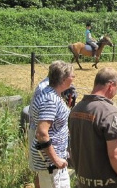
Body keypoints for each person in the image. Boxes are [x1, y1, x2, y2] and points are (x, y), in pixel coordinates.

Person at [68, 67, 117, 188]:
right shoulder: (109, 111)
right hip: (106, 181)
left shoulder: (76, 109)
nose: (116, 92)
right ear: (111, 86)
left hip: (82, 180)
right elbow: (115, 154)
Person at [29, 60, 74, 188]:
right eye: (72, 76)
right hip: (50, 164)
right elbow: (42, 133)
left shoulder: (52, 94)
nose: (74, 79)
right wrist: (56, 160)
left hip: (53, 162)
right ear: (64, 78)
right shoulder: (50, 99)